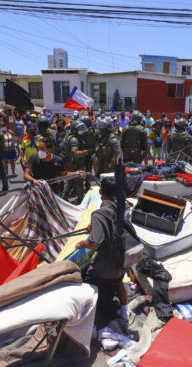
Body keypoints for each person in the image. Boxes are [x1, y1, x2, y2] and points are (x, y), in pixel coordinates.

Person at [75, 176, 128, 327]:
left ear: (100, 192)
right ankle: (125, 310)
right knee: (118, 281)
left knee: (88, 281)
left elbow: (95, 243)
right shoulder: (122, 208)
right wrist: (96, 226)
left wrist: (82, 243)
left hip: (108, 265)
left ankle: (93, 321)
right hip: (123, 258)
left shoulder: (99, 214)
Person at [62, 120, 89, 204]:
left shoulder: (69, 136)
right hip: (75, 163)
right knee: (79, 181)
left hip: (70, 162)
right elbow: (75, 153)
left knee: (70, 181)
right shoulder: (74, 139)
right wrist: (86, 152)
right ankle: (80, 201)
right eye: (79, 129)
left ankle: (64, 198)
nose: (81, 130)